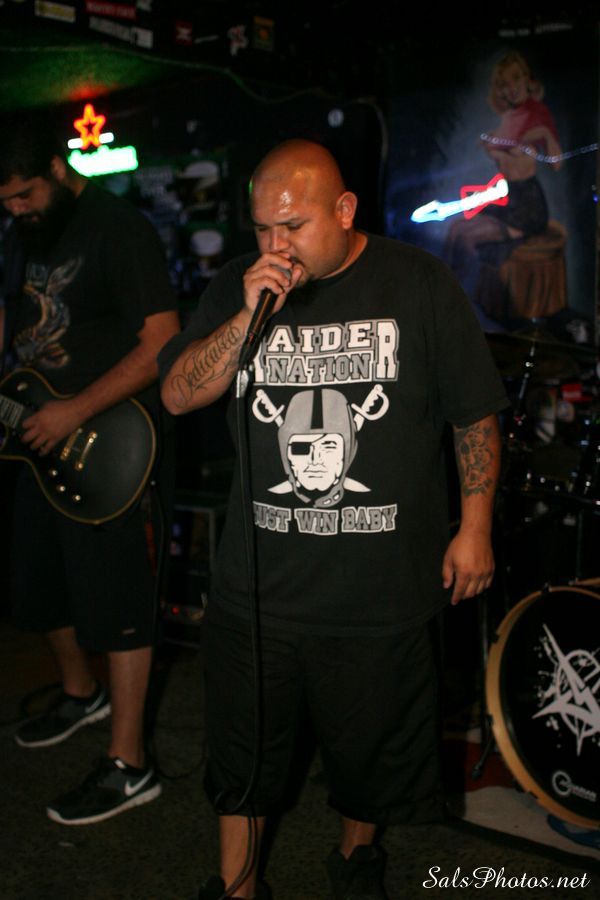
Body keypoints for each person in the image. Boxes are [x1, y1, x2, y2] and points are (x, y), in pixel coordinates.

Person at [158, 139, 508, 899]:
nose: (277, 246)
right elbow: (179, 394)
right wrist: (247, 315)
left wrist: (475, 525)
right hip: (258, 592)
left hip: (380, 591)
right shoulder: (240, 287)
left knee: (370, 758)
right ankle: (237, 887)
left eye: (294, 226)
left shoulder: (417, 282)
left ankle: (355, 860)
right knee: (244, 757)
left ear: (345, 210)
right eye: (263, 228)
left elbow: (474, 412)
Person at [0, 112, 180, 825]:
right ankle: (83, 695)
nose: (17, 210)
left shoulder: (118, 228)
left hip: (109, 444)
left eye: (25, 194)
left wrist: (72, 412)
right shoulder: (20, 234)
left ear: (58, 167)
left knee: (119, 606)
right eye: (6, 201)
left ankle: (130, 764)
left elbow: (162, 343)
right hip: (34, 438)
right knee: (34, 587)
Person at [444, 51, 563, 303]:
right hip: (508, 199)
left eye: (516, 78)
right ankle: (441, 295)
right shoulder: (509, 118)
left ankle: (451, 302)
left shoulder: (537, 113)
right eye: (504, 84)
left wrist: (542, 134)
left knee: (467, 237)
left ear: (527, 79)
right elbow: (501, 146)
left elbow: (557, 162)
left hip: (527, 206)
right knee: (455, 229)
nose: (512, 88)